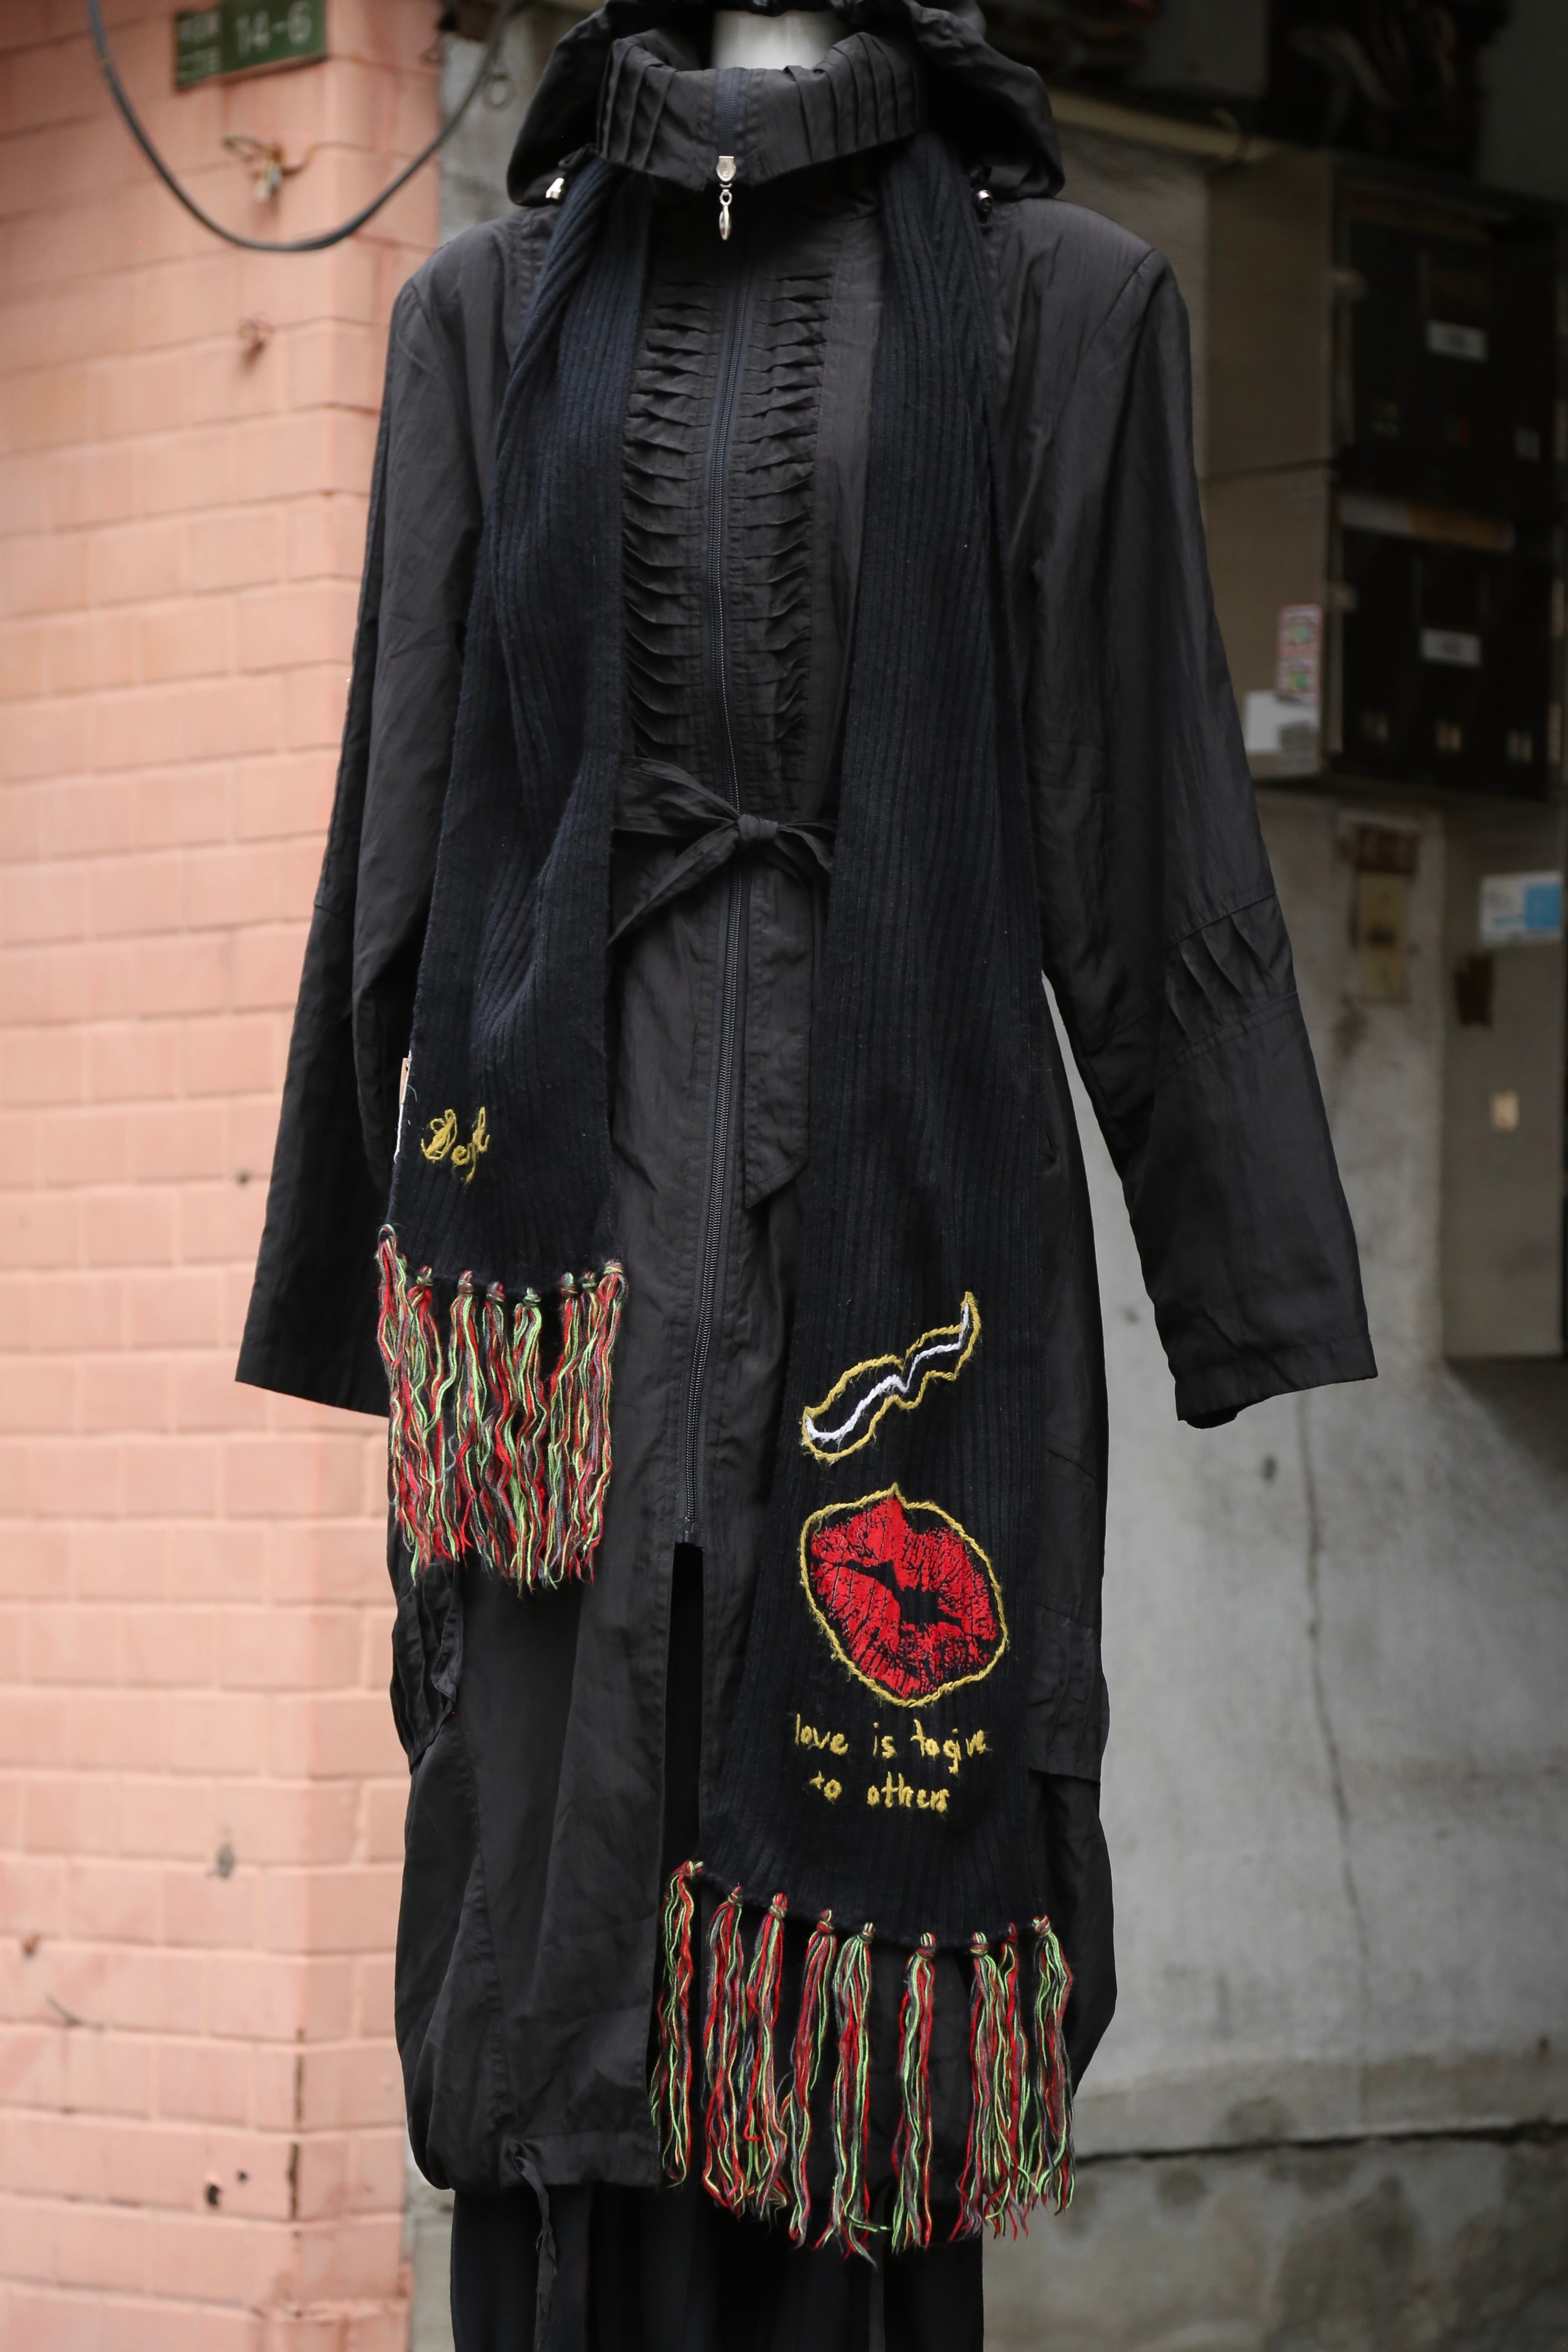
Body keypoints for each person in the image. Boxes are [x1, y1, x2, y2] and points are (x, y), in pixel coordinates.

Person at [237, 2, 1375, 2342]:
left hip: (910, 1225)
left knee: (873, 1954)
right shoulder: (481, 314)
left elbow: (1142, 814)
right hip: (562, 1279)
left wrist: (1243, 1259)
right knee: (553, 1923)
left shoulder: (1062, 304)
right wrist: (354, 1253)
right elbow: (402, 820)